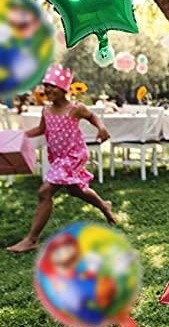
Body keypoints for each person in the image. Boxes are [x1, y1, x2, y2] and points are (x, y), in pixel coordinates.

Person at [7, 65, 116, 253]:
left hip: (74, 155)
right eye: (45, 86)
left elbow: (92, 116)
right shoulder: (46, 110)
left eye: (53, 86)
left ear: (64, 89)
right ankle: (104, 205)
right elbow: (42, 130)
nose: (48, 90)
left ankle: (31, 239)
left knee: (44, 192)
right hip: (59, 157)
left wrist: (101, 128)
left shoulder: (75, 108)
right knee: (75, 190)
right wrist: (20, 135)